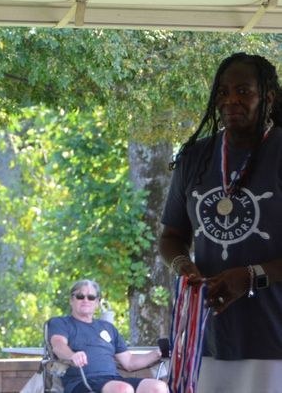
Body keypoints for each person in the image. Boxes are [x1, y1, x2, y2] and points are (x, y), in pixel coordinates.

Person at [158, 52, 282, 391]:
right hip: (207, 338)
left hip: (273, 340)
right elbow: (171, 237)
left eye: (243, 91)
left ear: (268, 98)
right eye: (223, 92)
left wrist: (251, 276)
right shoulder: (195, 156)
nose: (231, 101)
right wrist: (183, 266)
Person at [45, 279, 168, 393]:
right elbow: (58, 345)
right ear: (71, 300)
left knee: (158, 387)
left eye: (91, 297)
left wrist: (156, 354)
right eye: (80, 296)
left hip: (114, 380)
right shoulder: (60, 323)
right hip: (82, 382)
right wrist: (72, 355)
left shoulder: (108, 328)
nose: (86, 300)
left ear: (97, 302)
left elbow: (129, 362)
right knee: (123, 389)